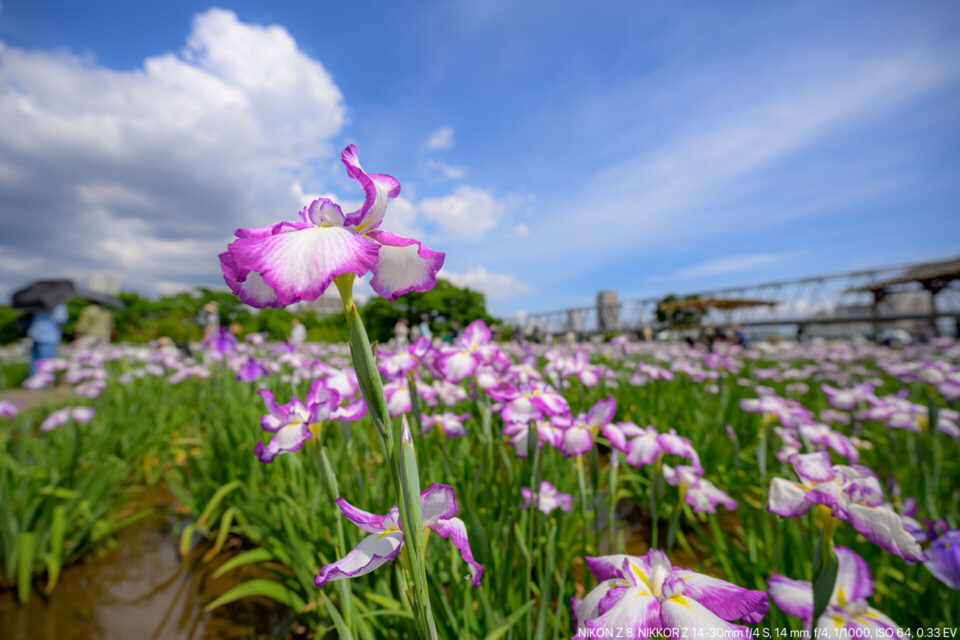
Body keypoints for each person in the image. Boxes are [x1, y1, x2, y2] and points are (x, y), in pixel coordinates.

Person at [28, 302, 68, 376]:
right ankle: (44, 382)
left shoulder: (37, 302)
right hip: (50, 335)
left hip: (35, 333)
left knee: (35, 361)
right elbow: (61, 319)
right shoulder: (58, 303)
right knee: (47, 362)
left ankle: (33, 382)